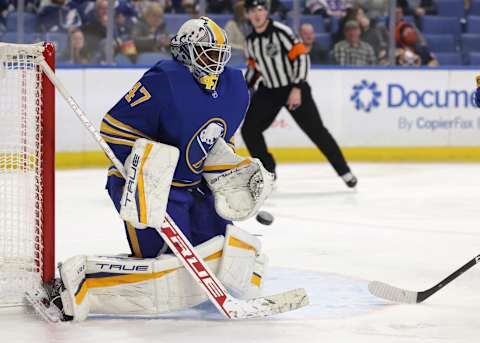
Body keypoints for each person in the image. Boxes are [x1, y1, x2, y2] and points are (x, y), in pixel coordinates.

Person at [32, 17, 274, 321]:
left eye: (219, 54)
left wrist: (229, 171)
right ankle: (79, 283)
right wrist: (151, 170)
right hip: (146, 185)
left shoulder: (235, 87)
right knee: (164, 261)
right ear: (186, 52)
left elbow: (221, 140)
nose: (215, 62)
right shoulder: (165, 80)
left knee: (218, 255)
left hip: (194, 188)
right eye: (207, 53)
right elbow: (113, 129)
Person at [242, 0, 357, 188]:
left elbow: (301, 58)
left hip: (294, 88)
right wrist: (244, 88)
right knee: (249, 130)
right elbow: (254, 69)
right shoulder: (250, 41)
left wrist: (297, 88)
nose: (257, 14)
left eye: (260, 10)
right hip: (270, 90)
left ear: (267, 12)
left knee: (316, 131)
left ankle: (344, 171)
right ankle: (268, 172)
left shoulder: (281, 32)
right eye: (252, 11)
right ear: (247, 14)